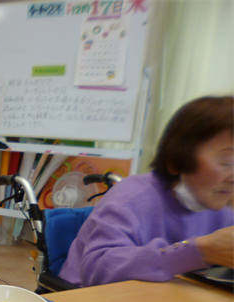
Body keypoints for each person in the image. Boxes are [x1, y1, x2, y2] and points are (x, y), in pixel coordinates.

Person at [59, 96, 234, 287]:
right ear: (176, 161)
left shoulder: (222, 209)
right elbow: (98, 271)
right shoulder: (130, 201)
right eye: (227, 161)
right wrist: (201, 251)